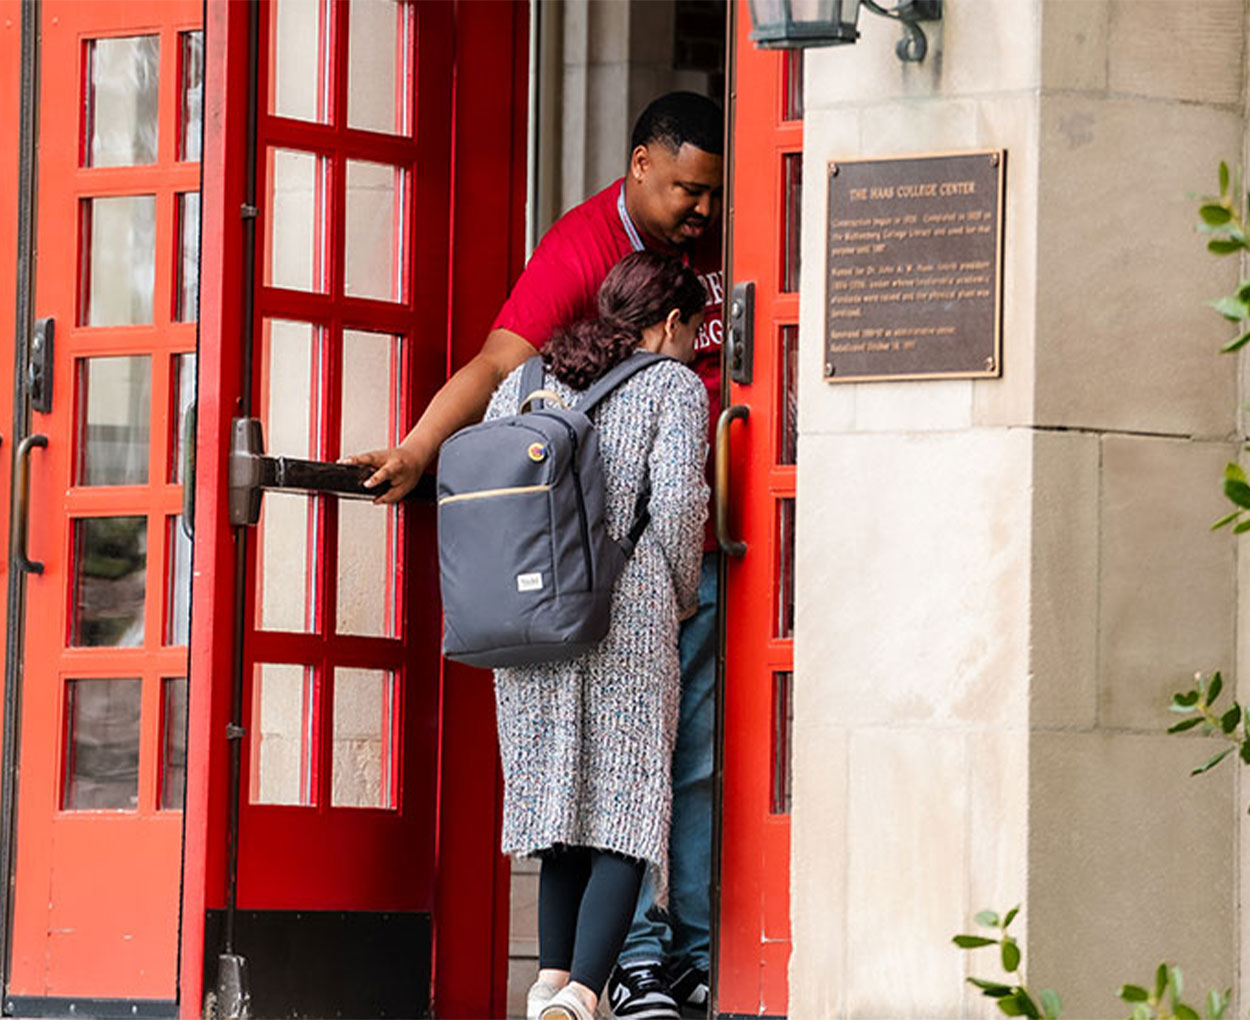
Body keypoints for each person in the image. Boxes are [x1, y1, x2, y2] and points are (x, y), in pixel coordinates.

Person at [348, 91, 724, 1020]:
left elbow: (511, 390)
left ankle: (564, 981)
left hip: (556, 598)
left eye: (713, 193)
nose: (703, 210)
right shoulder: (583, 258)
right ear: (639, 164)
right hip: (646, 587)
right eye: (686, 188)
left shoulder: (560, 368)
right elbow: (488, 364)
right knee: (635, 788)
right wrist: (416, 449)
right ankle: (623, 974)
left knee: (573, 790)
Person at [488, 252, 709, 1020]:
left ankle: (548, 983)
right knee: (625, 801)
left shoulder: (524, 381)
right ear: (673, 323)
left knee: (559, 805)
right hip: (628, 604)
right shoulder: (673, 385)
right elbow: (679, 504)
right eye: (694, 331)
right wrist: (680, 593)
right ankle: (584, 992)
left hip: (528, 614)